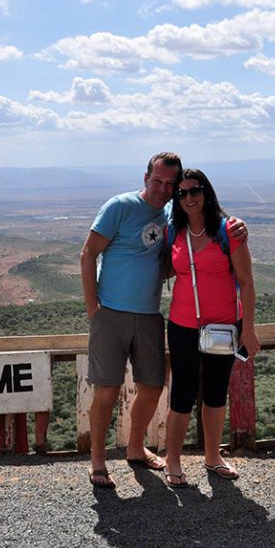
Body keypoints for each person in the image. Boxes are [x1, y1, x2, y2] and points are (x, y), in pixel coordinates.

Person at [80, 153, 248, 488]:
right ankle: (98, 461)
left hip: (151, 315)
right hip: (111, 312)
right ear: (146, 179)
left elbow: (207, 218)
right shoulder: (120, 206)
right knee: (108, 389)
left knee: (153, 387)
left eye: (171, 184)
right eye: (158, 181)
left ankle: (135, 448)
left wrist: (239, 223)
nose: (165, 189)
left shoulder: (173, 211)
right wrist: (92, 308)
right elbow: (88, 252)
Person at [163, 169, 260, 488]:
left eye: (195, 190)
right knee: (182, 394)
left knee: (216, 393)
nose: (189, 197)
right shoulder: (173, 231)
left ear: (206, 193)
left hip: (223, 327)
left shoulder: (228, 230)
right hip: (182, 325)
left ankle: (212, 456)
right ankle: (173, 460)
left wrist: (249, 330)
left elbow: (246, 282)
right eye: (182, 193)